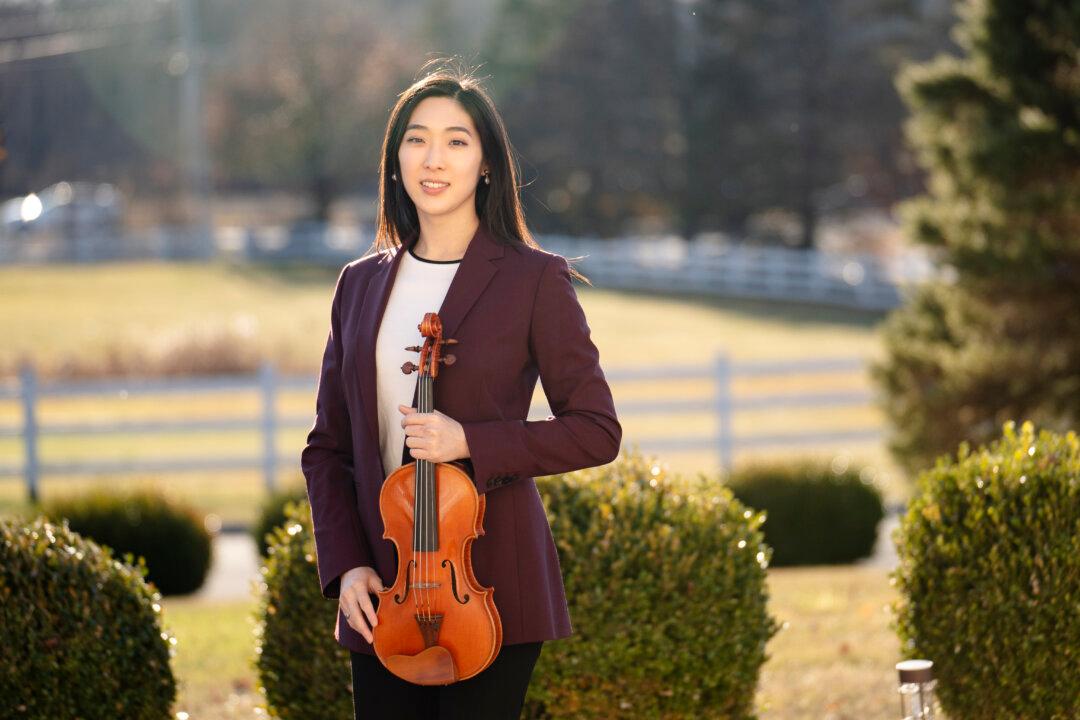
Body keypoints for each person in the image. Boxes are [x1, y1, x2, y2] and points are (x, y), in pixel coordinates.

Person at [301, 59, 622, 720]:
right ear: (395, 161)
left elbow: (596, 428)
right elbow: (326, 448)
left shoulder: (534, 280)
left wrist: (469, 442)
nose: (433, 157)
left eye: (456, 140)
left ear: (486, 164)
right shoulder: (358, 285)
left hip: (490, 585)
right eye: (416, 138)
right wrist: (348, 566)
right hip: (385, 589)